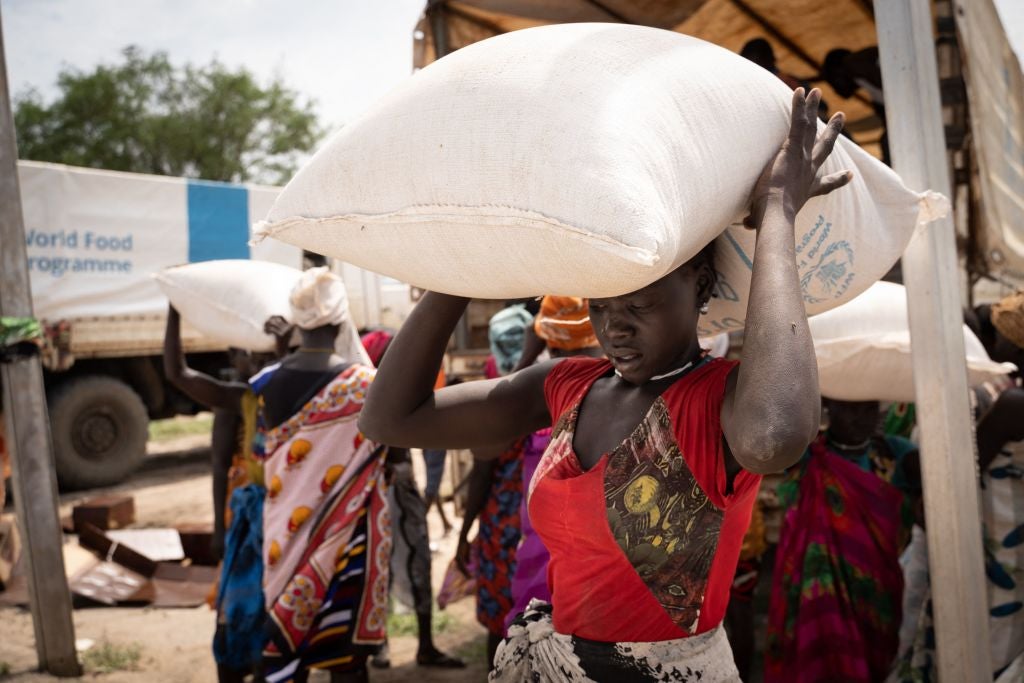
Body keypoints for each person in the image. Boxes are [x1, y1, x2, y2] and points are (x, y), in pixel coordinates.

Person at [359, 88, 849, 680]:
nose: (615, 325)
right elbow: (391, 419)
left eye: (639, 303)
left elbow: (776, 436)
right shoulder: (568, 387)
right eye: (601, 304)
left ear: (697, 286)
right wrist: (467, 261)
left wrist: (777, 210)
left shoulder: (718, 400)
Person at [254, 267, 389, 683]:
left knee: (285, 644)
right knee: (346, 659)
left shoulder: (266, 383)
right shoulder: (368, 386)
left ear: (295, 319)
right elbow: (393, 452)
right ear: (340, 316)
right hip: (350, 536)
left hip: (284, 538)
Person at [163, 307, 291, 683]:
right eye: (246, 352)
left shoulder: (291, 395)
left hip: (282, 525)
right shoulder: (241, 400)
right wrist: (175, 310)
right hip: (246, 527)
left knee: (271, 618)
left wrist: (284, 353)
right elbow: (178, 373)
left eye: (264, 354)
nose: (253, 360)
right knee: (235, 615)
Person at [765, 397, 920, 683]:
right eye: (849, 408)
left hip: (878, 593)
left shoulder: (897, 454)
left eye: (868, 408)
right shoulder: (807, 456)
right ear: (829, 407)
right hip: (817, 596)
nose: (859, 418)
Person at [358, 330, 464, 671]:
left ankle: (424, 645)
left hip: (401, 489)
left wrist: (431, 487)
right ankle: (380, 644)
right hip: (375, 492)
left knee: (418, 563)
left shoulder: (403, 390)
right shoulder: (364, 392)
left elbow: (431, 434)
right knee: (377, 568)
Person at [503, 296, 603, 637]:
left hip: (549, 554)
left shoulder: (543, 395)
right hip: (589, 565)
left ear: (546, 339)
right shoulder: (620, 389)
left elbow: (490, 447)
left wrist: (526, 360)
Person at [456, 304, 535, 668]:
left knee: (500, 624)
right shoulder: (550, 383)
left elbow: (483, 470)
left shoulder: (494, 390)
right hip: (541, 522)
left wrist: (464, 533)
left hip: (502, 524)